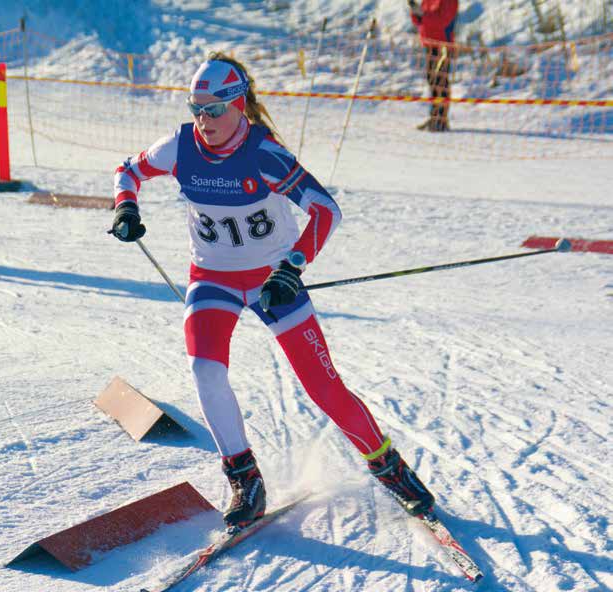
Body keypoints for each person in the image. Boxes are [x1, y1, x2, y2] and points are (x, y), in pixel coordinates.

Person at [109, 52, 435, 529]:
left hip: (272, 282)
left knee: (322, 386)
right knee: (205, 370)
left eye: (215, 109)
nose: (204, 119)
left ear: (239, 104)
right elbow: (128, 171)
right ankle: (245, 478)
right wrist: (126, 209)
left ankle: (389, 467)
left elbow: (326, 210)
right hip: (212, 279)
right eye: (195, 108)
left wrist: (293, 266)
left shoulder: (264, 154)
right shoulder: (179, 147)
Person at [408, 0, 458, 131]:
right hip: (429, 43)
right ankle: (434, 117)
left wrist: (422, 14)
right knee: (432, 80)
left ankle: (441, 120)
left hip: (443, 44)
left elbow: (442, 21)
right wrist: (415, 12)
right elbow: (420, 22)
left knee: (440, 81)